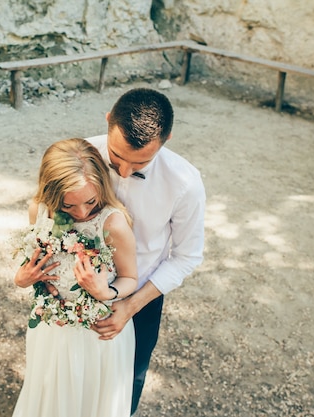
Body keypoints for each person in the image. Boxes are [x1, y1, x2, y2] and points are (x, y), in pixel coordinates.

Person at [82, 87, 206, 416]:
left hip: (141, 298)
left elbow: (186, 256)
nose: (123, 172)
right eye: (116, 157)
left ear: (166, 139)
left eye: (140, 163)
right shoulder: (79, 156)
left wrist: (130, 306)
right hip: (77, 291)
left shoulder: (184, 183)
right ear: (108, 121)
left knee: (127, 383)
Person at [11, 138, 139, 417]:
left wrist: (105, 292)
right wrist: (22, 278)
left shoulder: (112, 222)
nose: (82, 213)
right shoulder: (39, 211)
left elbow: (130, 277)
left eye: (90, 201)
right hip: (51, 329)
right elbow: (34, 260)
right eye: (68, 206)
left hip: (99, 335)